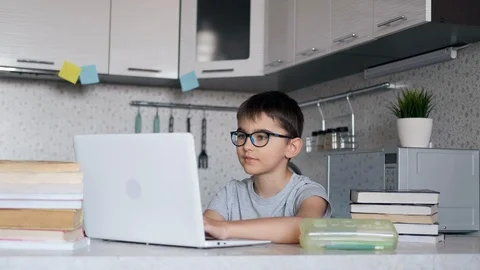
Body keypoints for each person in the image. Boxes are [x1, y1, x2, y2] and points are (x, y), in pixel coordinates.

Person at [203, 91, 332, 244]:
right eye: (242, 135)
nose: (246, 146)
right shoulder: (230, 194)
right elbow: (205, 228)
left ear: (292, 147)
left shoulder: (309, 193)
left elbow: (304, 228)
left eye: (261, 137)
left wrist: (226, 229)